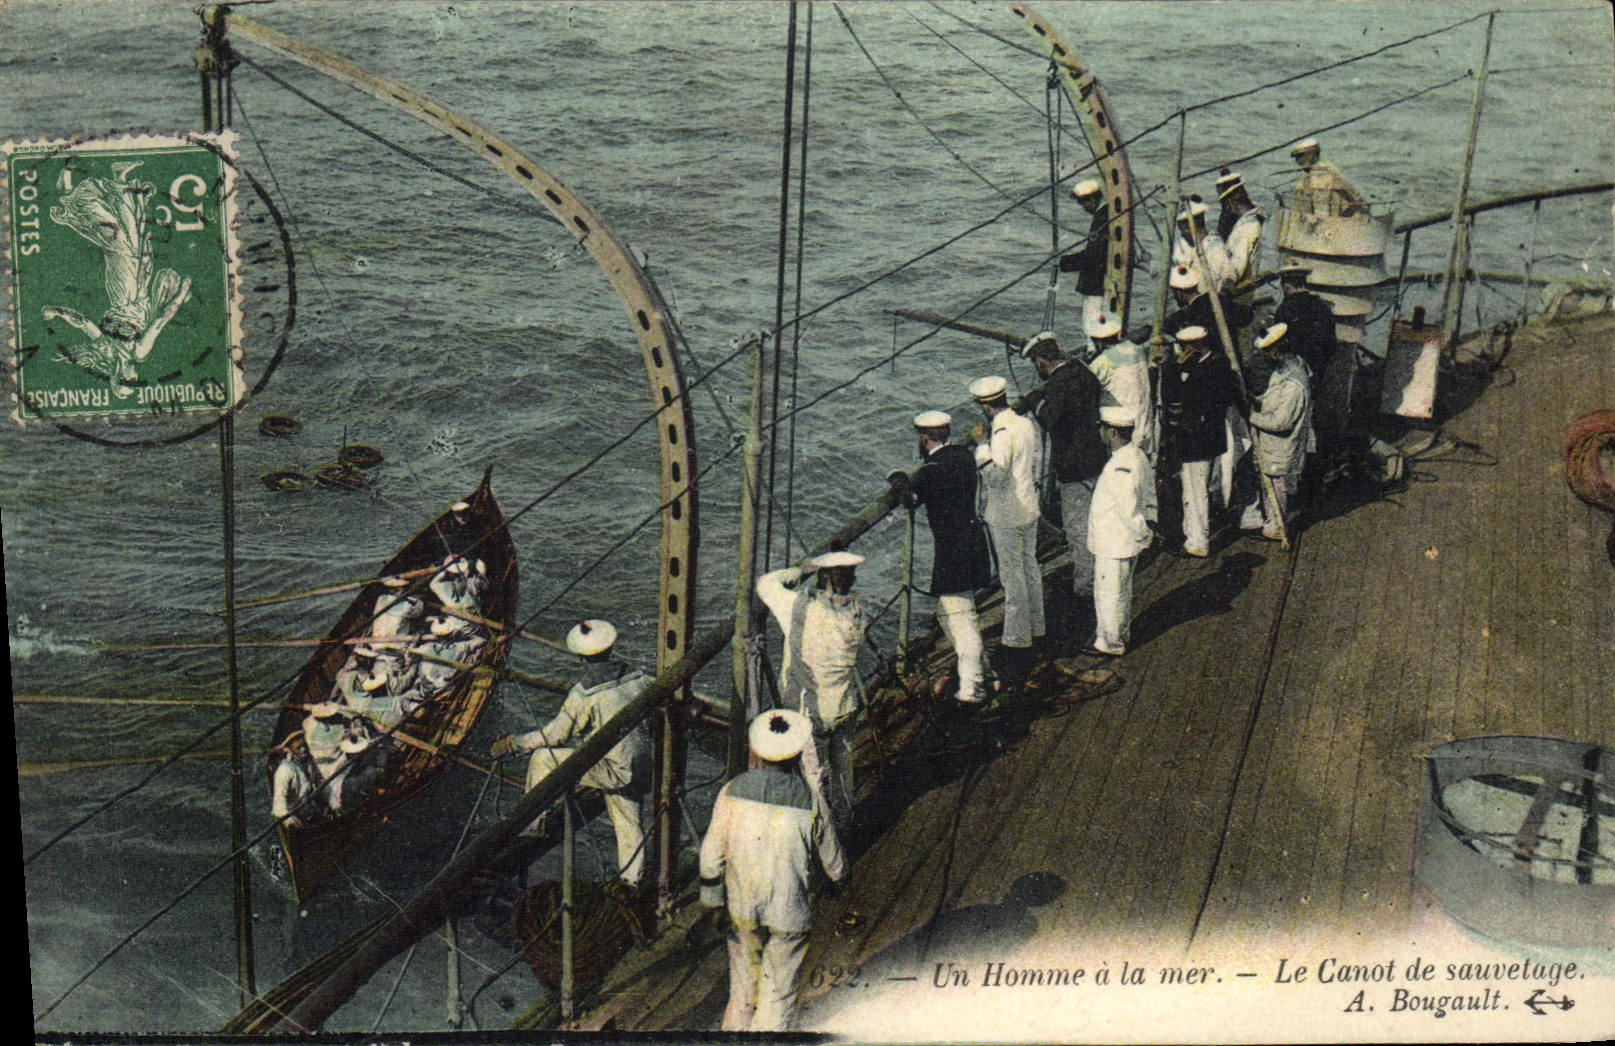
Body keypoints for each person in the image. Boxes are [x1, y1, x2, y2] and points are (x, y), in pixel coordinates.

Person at [699, 709, 845, 1033]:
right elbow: (832, 856)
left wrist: (712, 902)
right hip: (789, 913)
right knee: (778, 995)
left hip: (742, 909)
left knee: (742, 991)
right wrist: (836, 882)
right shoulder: (810, 800)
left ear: (755, 751)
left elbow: (710, 856)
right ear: (795, 756)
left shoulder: (731, 792)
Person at [489, 619, 654, 885]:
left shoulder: (585, 694)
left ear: (580, 656)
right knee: (629, 825)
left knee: (542, 758)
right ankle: (632, 883)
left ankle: (534, 823)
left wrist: (513, 743)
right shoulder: (640, 678)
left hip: (612, 770)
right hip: (641, 766)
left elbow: (555, 735)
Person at [754, 552, 866, 829]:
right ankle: (845, 820)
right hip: (844, 705)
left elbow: (765, 584)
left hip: (809, 711)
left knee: (813, 778)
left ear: (822, 577)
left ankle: (823, 836)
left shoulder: (798, 608)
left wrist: (801, 571)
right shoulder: (858, 612)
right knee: (842, 766)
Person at [904, 410, 993, 705]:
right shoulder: (964, 457)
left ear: (924, 438)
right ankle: (983, 671)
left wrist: (897, 478)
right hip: (975, 542)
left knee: (960, 619)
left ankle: (973, 686)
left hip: (952, 552)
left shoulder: (931, 471)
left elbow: (909, 497)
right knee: (948, 613)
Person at [1019, 334, 1106, 612]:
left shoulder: (1057, 385)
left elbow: (1049, 420)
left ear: (1041, 360)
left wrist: (1036, 403)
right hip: (1097, 454)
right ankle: (1103, 573)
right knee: (1100, 520)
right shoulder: (1082, 371)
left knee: (1078, 526)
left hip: (1072, 465)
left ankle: (1086, 583)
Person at [969, 374, 1046, 664]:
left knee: (1012, 578)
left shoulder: (1000, 434)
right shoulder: (1026, 423)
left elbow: (995, 476)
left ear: (985, 407)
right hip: (1029, 507)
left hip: (1007, 515)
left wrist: (981, 446)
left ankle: (1016, 640)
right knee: (1031, 570)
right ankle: (1037, 628)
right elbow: (1037, 461)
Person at [1161, 326, 1239, 557]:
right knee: (1200, 489)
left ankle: (1197, 541)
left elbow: (1173, 395)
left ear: (1193, 346)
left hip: (1196, 440)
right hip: (1213, 437)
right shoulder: (1219, 364)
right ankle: (1193, 533)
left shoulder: (1199, 373)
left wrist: (1173, 367)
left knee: (1195, 493)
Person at [1086, 412, 1157, 655]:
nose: (1100, 433)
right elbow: (1148, 494)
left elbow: (1128, 508)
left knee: (1109, 594)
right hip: (1120, 541)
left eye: (1103, 428)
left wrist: (1143, 535)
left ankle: (1111, 642)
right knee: (1121, 591)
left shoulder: (1120, 466)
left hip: (1114, 542)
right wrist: (1149, 526)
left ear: (1113, 433)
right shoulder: (1136, 455)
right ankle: (1119, 633)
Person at [1245, 323, 1315, 540]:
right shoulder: (1285, 371)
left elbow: (1280, 422)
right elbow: (1271, 398)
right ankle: (1272, 523)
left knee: (1276, 487)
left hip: (1281, 445)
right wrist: (1256, 401)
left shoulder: (1294, 383)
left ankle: (1276, 528)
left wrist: (1252, 417)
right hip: (1272, 444)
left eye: (1268, 352)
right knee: (1271, 484)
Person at [1084, 316, 1154, 457]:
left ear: (1099, 341)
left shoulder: (1103, 361)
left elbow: (1087, 382)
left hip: (1122, 430)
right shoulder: (1137, 350)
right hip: (1144, 426)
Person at [1058, 178, 1110, 344]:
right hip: (1102, 284)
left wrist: (1063, 262)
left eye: (1084, 202)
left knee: (1093, 328)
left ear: (1094, 198)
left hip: (1096, 286)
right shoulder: (1106, 215)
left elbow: (1093, 256)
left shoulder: (1102, 219)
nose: (1084, 207)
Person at [1217, 172, 1264, 303]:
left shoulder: (1247, 229)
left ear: (1233, 202)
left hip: (1237, 295)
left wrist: (1227, 282)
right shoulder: (1248, 222)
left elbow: (1239, 260)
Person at [1289, 138, 1368, 217]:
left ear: (1311, 155)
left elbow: (1358, 203)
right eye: (1296, 157)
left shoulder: (1329, 173)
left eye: (1300, 156)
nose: (1298, 161)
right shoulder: (1303, 180)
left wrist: (1341, 219)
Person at [1172, 200, 1231, 294]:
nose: (1182, 233)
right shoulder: (1184, 245)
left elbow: (1212, 284)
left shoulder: (1215, 247)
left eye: (1185, 228)